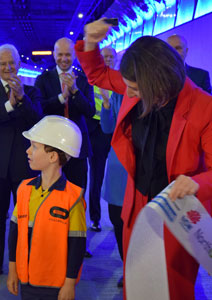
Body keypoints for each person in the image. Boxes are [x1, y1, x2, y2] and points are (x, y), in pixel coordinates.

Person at [75, 18, 212, 300]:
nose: (130, 94)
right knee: (136, 278)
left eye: (135, 90)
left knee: (171, 287)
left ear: (157, 83)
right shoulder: (136, 85)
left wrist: (197, 182)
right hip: (138, 202)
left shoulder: (203, 107)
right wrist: (90, 42)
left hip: (177, 209)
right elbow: (98, 74)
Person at [0, 44, 43, 281]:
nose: (7, 67)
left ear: (19, 64)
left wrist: (22, 99)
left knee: (25, 218)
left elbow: (37, 120)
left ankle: (24, 263)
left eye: (11, 63)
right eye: (2, 63)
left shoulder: (32, 92)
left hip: (24, 164)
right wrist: (9, 105)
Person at [7, 115, 86, 300]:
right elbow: (14, 232)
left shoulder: (73, 198)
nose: (27, 151)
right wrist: (12, 269)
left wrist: (69, 283)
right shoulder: (24, 190)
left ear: (52, 156)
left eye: (34, 147)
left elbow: (77, 245)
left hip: (56, 285)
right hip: (26, 280)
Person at [34, 37, 95, 190]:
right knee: (51, 191)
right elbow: (39, 108)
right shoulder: (43, 80)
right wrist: (62, 97)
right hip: (51, 145)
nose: (64, 59)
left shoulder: (83, 80)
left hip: (78, 145)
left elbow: (90, 110)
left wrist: (75, 91)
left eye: (67, 55)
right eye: (60, 54)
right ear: (54, 55)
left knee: (77, 190)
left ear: (74, 55)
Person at [87, 46, 115, 232]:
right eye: (104, 57)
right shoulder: (91, 80)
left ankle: (117, 217)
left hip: (114, 132)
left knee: (115, 176)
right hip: (96, 131)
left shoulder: (121, 80)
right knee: (96, 177)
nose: (107, 60)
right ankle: (95, 218)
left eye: (110, 57)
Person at [100, 91, 127, 288]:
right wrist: (107, 104)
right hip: (119, 166)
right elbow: (107, 127)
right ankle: (128, 267)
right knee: (117, 220)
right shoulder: (117, 94)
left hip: (146, 166)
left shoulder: (153, 91)